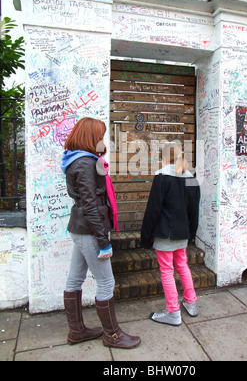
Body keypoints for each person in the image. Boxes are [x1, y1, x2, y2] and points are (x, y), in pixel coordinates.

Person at [60, 117, 141, 349]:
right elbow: (90, 204)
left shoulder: (75, 159)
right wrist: (103, 240)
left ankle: (77, 331)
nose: (102, 140)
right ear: (91, 137)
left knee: (75, 279)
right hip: (89, 230)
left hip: (81, 228)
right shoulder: (85, 163)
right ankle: (112, 335)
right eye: (100, 136)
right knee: (106, 282)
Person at [141, 143, 200, 326]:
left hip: (165, 234)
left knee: (167, 270)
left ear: (164, 158)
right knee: (182, 266)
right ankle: (191, 303)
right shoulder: (191, 178)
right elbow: (194, 210)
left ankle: (173, 312)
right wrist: (191, 233)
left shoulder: (162, 177)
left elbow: (153, 210)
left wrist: (146, 235)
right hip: (182, 233)